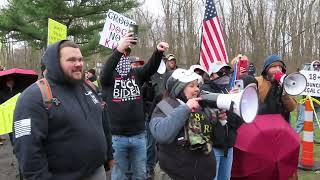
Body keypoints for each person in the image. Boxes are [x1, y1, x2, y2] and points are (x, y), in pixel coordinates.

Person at [13, 40, 110, 180]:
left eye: (80, 59)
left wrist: (109, 155)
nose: (79, 64)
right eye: (71, 60)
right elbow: (26, 150)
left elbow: (102, 121)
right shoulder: (32, 97)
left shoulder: (87, 87)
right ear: (55, 63)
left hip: (97, 171)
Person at [100, 32, 169, 180]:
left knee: (140, 174)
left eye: (127, 54)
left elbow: (150, 68)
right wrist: (119, 49)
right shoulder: (108, 79)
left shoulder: (136, 74)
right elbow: (105, 72)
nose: (124, 57)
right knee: (119, 176)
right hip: (117, 137)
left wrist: (158, 52)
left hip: (138, 135)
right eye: (121, 54)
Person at [149, 68, 216, 180]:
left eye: (197, 85)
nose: (197, 89)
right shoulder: (165, 105)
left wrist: (221, 120)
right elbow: (161, 134)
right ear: (178, 89)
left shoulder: (200, 106)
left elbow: (214, 138)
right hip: (175, 175)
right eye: (191, 86)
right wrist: (186, 109)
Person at [201, 61, 243, 180]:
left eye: (227, 72)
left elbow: (238, 121)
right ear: (211, 75)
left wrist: (231, 110)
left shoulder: (228, 89)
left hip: (228, 146)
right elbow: (203, 118)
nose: (225, 75)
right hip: (213, 147)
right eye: (220, 72)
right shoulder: (205, 91)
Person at [255, 54, 297, 121]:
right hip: (261, 123)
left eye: (280, 67)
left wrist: (284, 93)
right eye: (274, 67)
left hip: (281, 125)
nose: (278, 70)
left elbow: (292, 108)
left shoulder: (287, 83)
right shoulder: (257, 81)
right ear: (266, 69)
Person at [296, 60, 320, 144]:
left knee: (315, 122)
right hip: (306, 102)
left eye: (318, 65)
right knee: (301, 121)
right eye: (315, 65)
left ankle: (311, 138)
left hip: (318, 104)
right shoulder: (306, 75)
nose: (316, 67)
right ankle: (295, 137)